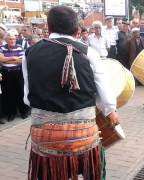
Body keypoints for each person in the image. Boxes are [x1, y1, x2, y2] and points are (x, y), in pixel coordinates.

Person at [23, 6, 119, 179]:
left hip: (44, 138)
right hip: (82, 136)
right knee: (97, 165)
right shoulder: (89, 52)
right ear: (76, 31)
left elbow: (28, 97)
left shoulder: (29, 53)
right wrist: (111, 111)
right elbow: (104, 91)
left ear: (49, 27)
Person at [0, 32, 30, 122]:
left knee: (20, 92)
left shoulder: (19, 47)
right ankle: (11, 113)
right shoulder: (2, 48)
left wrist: (6, 60)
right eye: (10, 39)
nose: (12, 41)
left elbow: (21, 61)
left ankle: (23, 112)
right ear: (6, 40)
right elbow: (1, 59)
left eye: (13, 39)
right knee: (9, 94)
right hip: (6, 73)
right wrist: (13, 58)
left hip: (18, 73)